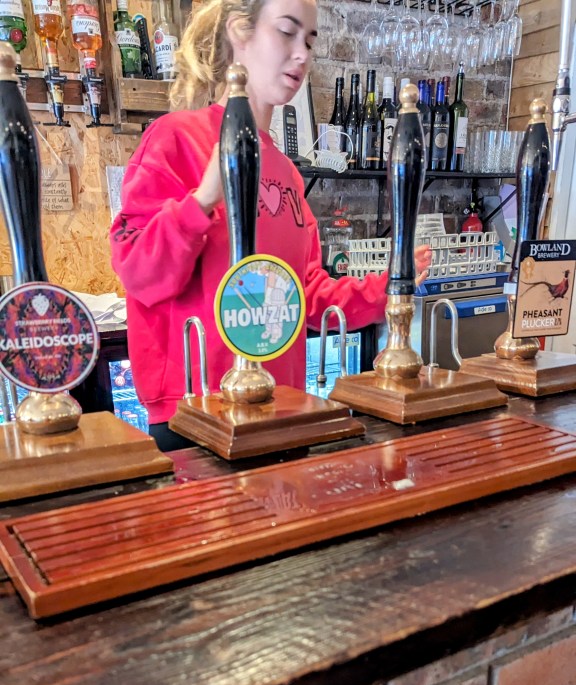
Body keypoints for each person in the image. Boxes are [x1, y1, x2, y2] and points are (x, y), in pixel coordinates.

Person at [110, 0, 432, 451]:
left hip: (280, 408)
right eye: (286, 31)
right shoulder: (175, 139)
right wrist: (202, 199)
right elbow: (137, 270)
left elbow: (305, 293)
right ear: (239, 32)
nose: (302, 54)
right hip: (195, 416)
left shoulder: (286, 172)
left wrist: (387, 289)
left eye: (310, 41)